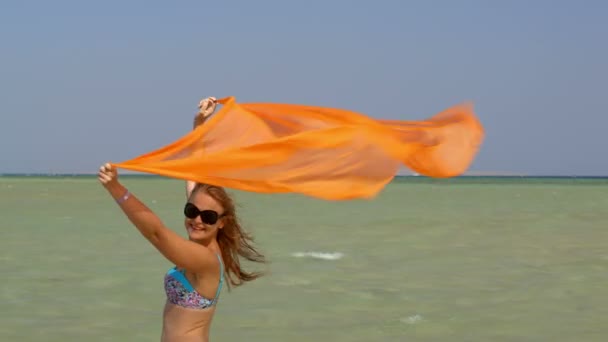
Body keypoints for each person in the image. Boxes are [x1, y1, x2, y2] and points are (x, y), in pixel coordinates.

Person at [98, 97, 266, 342]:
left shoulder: (206, 260)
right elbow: (193, 173)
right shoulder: (199, 240)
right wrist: (199, 124)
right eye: (191, 211)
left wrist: (116, 188)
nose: (197, 220)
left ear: (222, 222)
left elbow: (156, 234)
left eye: (208, 216)